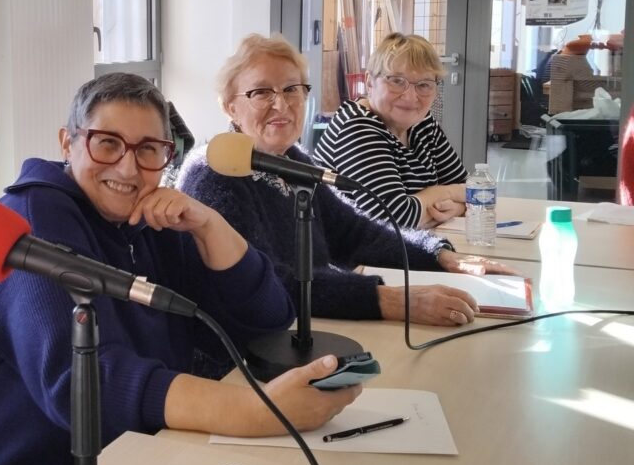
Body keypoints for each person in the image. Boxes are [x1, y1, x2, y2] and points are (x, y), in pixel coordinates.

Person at [0, 73, 360, 465]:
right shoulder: (30, 230)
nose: (128, 166)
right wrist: (258, 411)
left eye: (148, 150)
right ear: (68, 142)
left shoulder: (149, 219)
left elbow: (265, 322)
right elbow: (85, 384)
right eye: (107, 144)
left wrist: (211, 226)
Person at [177, 34, 516, 326]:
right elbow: (263, 285)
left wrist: (440, 257)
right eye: (262, 92)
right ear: (230, 107)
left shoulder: (291, 159)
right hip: (240, 351)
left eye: (292, 89)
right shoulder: (213, 174)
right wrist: (389, 300)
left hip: (302, 325)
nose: (281, 104)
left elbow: (354, 233)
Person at [313, 32, 467, 228]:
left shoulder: (422, 123)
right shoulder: (357, 127)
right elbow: (393, 219)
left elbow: (477, 192)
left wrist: (458, 208)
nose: (410, 97)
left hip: (412, 242)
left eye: (424, 85)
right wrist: (443, 193)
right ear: (370, 82)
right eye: (397, 81)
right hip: (349, 248)